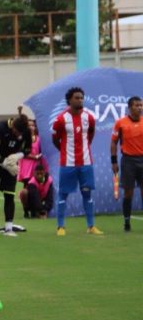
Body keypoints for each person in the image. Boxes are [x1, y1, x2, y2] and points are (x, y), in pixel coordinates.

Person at [52, 87, 103, 236]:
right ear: (69, 100)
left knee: (87, 194)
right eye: (77, 98)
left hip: (86, 163)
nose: (80, 100)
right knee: (63, 194)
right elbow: (55, 140)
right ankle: (61, 227)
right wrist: (65, 151)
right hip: (67, 164)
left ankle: (91, 226)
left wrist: (84, 150)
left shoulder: (89, 118)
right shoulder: (61, 119)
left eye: (81, 97)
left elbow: (90, 136)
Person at [0, 113, 31, 237]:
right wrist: (4, 162)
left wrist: (18, 156)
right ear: (13, 126)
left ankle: (9, 229)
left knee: (9, 195)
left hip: (12, 165)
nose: (18, 136)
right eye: (17, 133)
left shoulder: (26, 131)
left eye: (20, 134)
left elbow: (28, 148)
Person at [111, 95, 143, 232]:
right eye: (136, 105)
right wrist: (113, 161)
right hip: (128, 161)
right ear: (130, 107)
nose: (140, 108)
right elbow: (113, 142)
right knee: (128, 193)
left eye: (141, 105)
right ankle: (127, 223)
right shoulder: (120, 123)